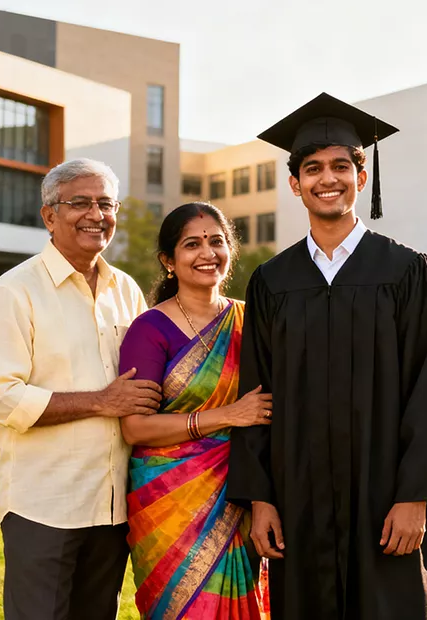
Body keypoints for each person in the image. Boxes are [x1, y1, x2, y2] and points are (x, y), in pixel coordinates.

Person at [227, 93, 427, 620]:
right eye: (312, 168)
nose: (327, 178)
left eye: (341, 165)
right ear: (295, 184)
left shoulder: (407, 272)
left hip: (385, 498)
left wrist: (417, 498)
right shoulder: (273, 282)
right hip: (300, 498)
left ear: (362, 177)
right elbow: (257, 393)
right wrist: (261, 498)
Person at [0, 158, 160, 620]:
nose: (95, 214)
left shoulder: (127, 291)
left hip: (114, 506)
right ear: (49, 215)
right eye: (79, 202)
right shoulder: (14, 291)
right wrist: (100, 401)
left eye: (105, 203)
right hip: (46, 508)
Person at [119, 202, 272, 620]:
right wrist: (227, 416)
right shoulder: (150, 329)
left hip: (240, 489)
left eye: (217, 241)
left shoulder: (251, 319)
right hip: (169, 500)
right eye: (192, 244)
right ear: (169, 261)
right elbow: (135, 428)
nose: (207, 253)